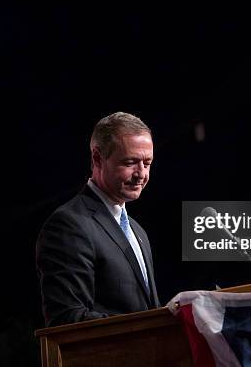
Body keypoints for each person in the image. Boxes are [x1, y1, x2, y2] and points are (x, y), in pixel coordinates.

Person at [36, 112, 160, 327]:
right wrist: (143, 327)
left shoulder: (137, 231)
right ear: (97, 158)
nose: (141, 173)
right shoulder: (69, 225)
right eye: (130, 162)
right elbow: (68, 318)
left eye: (147, 163)